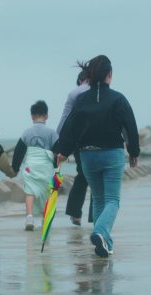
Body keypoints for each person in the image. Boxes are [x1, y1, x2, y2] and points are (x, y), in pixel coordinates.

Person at [57, 54, 140, 257]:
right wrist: (134, 152)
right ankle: (100, 232)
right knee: (112, 200)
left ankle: (105, 243)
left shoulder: (81, 100)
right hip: (112, 154)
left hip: (88, 156)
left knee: (99, 198)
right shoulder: (118, 99)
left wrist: (62, 152)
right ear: (109, 75)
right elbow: (130, 126)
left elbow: (70, 128)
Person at [11, 100, 59, 231]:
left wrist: (15, 168)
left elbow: (18, 151)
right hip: (46, 166)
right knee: (47, 193)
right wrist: (56, 166)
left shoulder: (26, 132)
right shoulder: (52, 133)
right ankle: (45, 219)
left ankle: (29, 217)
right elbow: (57, 151)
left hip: (30, 165)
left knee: (30, 192)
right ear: (46, 116)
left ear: (32, 116)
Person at [56, 69, 91, 226]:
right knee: (97, 177)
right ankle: (95, 216)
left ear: (81, 79)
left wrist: (59, 143)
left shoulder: (75, 93)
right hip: (101, 139)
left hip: (79, 141)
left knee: (82, 174)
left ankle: (75, 213)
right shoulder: (102, 90)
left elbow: (65, 118)